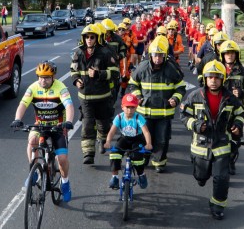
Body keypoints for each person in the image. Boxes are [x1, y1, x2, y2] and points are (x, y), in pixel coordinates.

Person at [180, 60, 244, 220]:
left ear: (222, 79)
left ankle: (217, 205)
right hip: (200, 146)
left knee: (222, 178)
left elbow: (241, 112)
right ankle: (201, 176)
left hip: (222, 144)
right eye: (210, 78)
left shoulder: (230, 98)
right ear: (205, 79)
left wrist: (237, 124)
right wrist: (195, 124)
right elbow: (184, 115)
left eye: (217, 78)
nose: (213, 81)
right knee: (201, 176)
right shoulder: (195, 96)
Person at [10, 61, 75, 202]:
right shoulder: (33, 88)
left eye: (46, 77)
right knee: (32, 140)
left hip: (58, 127)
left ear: (53, 77)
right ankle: (34, 171)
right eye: (40, 77)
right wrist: (17, 118)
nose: (42, 80)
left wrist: (68, 121)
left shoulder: (61, 88)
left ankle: (65, 182)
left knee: (62, 159)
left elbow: (69, 106)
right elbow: (23, 104)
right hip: (40, 125)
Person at [126, 36, 185, 173]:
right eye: (155, 55)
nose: (157, 58)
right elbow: (132, 84)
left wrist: (175, 99)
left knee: (162, 139)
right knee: (144, 137)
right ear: (150, 55)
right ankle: (145, 158)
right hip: (145, 112)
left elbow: (181, 87)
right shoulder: (142, 67)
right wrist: (138, 96)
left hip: (164, 113)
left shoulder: (171, 69)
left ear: (164, 55)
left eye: (160, 55)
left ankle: (159, 161)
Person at [71, 24, 119, 164]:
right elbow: (73, 69)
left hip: (102, 97)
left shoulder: (105, 53)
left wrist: (99, 74)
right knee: (87, 124)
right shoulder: (78, 53)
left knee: (103, 124)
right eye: (87, 37)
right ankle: (88, 153)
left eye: (92, 37)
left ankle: (103, 139)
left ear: (97, 38)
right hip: (85, 98)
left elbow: (115, 73)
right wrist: (76, 80)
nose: (89, 39)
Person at [218, 40, 244, 174]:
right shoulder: (216, 69)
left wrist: (242, 93)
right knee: (219, 136)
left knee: (235, 137)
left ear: (237, 55)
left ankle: (231, 161)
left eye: (232, 53)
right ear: (222, 55)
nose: (230, 56)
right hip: (219, 110)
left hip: (236, 112)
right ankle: (219, 161)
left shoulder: (243, 72)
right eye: (227, 53)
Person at [103, 93, 153, 190]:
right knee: (114, 154)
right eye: (127, 107)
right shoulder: (119, 117)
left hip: (137, 139)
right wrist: (108, 141)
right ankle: (115, 177)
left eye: (132, 107)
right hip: (124, 138)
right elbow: (112, 131)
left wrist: (148, 144)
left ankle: (141, 174)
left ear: (136, 107)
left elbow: (146, 132)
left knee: (138, 159)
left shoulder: (139, 118)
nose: (130, 110)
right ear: (122, 107)